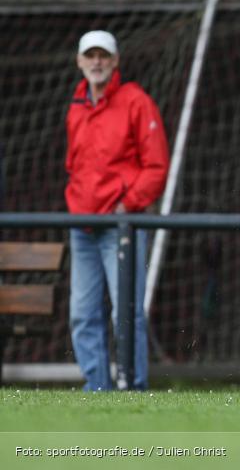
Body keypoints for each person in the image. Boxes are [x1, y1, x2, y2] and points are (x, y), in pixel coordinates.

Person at [65, 30, 170, 391]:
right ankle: (96, 387)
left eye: (103, 56)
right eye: (90, 55)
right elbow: (74, 165)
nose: (96, 62)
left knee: (126, 312)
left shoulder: (136, 101)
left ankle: (132, 386)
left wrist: (126, 206)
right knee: (82, 313)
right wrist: (77, 203)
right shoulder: (76, 106)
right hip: (82, 225)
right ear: (80, 61)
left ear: (115, 61)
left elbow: (156, 167)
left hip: (120, 226)